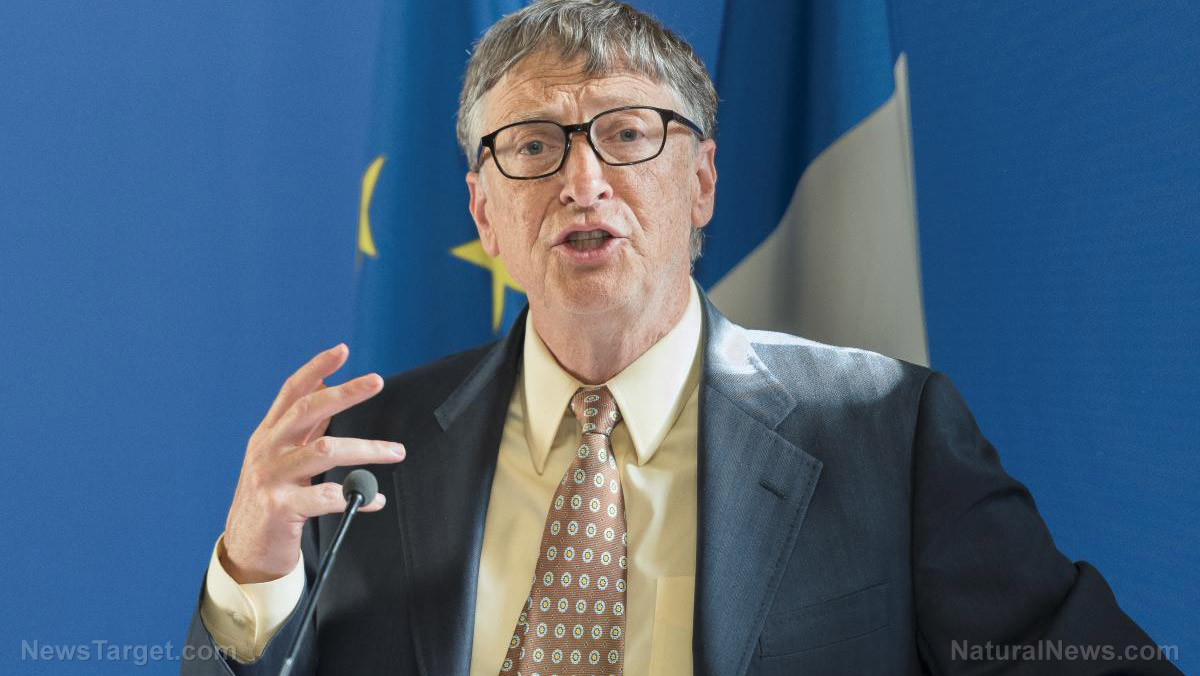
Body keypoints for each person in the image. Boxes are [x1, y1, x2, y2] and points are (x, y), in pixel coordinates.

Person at [183, 1, 1181, 674]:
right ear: (483, 212)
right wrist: (248, 574)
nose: (583, 182)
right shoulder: (366, 457)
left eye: (628, 135)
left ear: (701, 182)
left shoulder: (887, 431)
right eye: (534, 146)